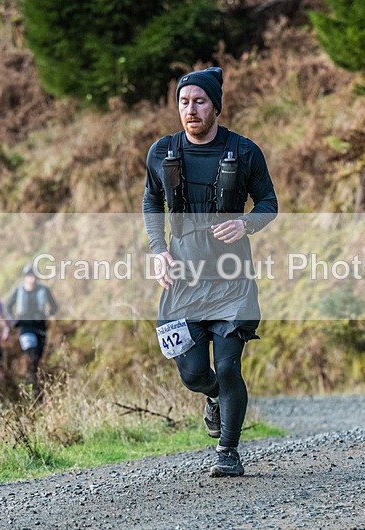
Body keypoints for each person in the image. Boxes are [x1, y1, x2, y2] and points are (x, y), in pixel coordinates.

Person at [142, 67, 277, 477]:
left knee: (230, 365)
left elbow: (268, 203)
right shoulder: (162, 152)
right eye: (184, 102)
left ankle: (228, 451)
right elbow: (151, 202)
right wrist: (157, 250)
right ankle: (215, 397)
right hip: (182, 279)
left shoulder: (245, 151)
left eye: (199, 101)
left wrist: (246, 223)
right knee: (195, 372)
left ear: (216, 105)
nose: (191, 109)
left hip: (232, 279)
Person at [5, 263, 58, 391]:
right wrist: (13, 321)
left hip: (40, 326)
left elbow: (54, 306)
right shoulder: (18, 291)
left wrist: (47, 314)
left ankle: (35, 382)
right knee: (31, 354)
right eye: (29, 276)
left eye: (34, 276)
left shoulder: (43, 290)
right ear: (25, 277)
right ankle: (31, 384)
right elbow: (7, 306)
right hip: (25, 327)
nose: (32, 279)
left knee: (38, 357)